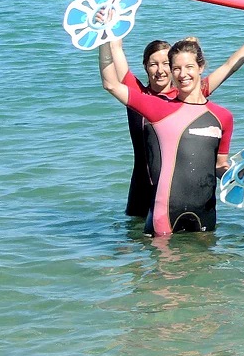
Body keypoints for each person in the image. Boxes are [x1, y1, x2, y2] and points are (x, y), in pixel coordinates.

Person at [98, 15, 244, 217]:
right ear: (145, 67)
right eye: (153, 64)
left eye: (166, 63)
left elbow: (230, 66)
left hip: (181, 196)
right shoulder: (140, 96)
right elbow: (115, 52)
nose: (160, 70)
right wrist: (111, 16)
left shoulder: (188, 96)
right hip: (142, 190)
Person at [99, 36, 234, 236]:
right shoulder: (153, 105)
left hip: (202, 209)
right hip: (157, 203)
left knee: (205, 263)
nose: (180, 73)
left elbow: (220, 165)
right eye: (176, 68)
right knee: (152, 258)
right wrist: (105, 35)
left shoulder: (216, 112)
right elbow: (111, 81)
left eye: (187, 67)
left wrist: (241, 175)